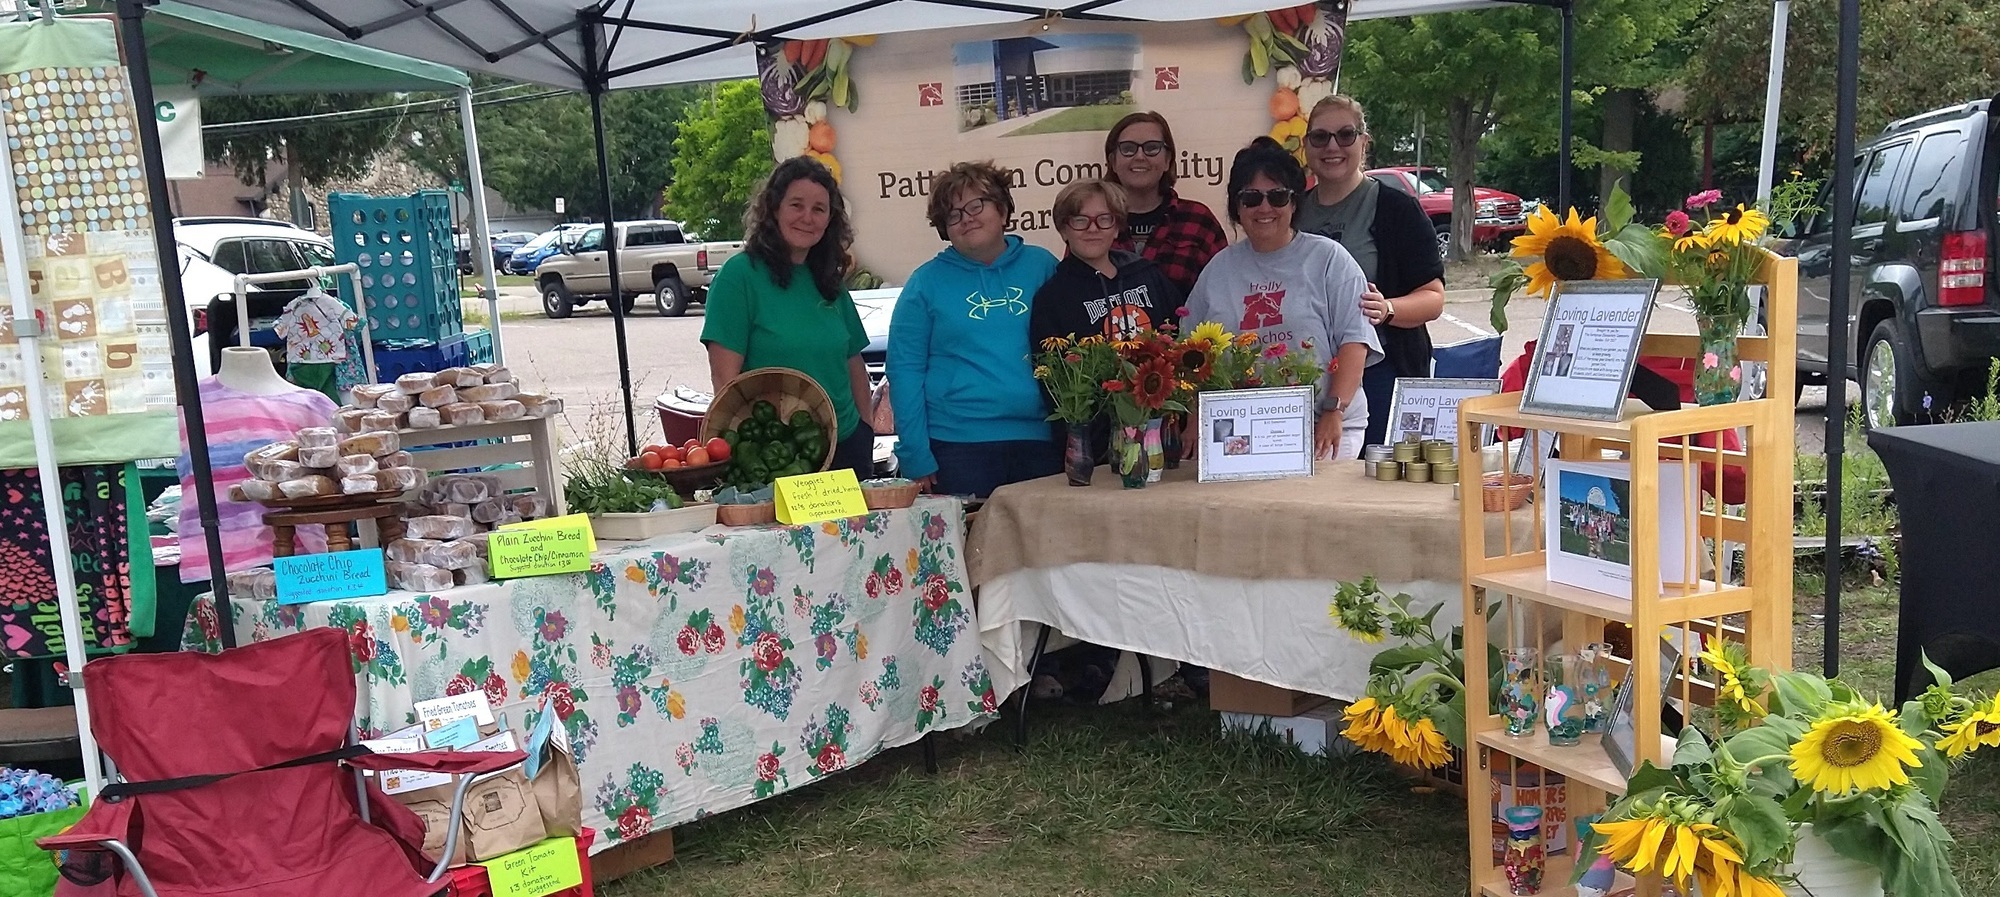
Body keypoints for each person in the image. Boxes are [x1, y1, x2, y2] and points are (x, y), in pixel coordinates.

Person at [1184, 137, 1379, 460]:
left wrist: (1334, 411)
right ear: (1236, 206)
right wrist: (1193, 417)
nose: (1264, 208)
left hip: (1323, 425)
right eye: (1251, 198)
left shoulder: (1330, 259)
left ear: (1294, 203)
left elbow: (1355, 342)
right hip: (1239, 427)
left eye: (1277, 196)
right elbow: (1191, 352)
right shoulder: (1217, 270)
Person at [887, 160, 1061, 498]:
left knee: (1043, 550)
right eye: (953, 214)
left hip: (1040, 442)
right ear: (945, 229)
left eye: (976, 205)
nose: (966, 217)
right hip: (957, 447)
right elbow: (905, 371)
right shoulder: (925, 284)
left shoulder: (1043, 266)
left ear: (1002, 208)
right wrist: (914, 454)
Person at [701, 156, 875, 481]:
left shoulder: (828, 280)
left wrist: (865, 428)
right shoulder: (739, 277)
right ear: (774, 208)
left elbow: (853, 363)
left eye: (819, 209)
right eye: (797, 205)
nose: (807, 218)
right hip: (778, 456)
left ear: (830, 220)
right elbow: (726, 384)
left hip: (848, 446)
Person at [1292, 95, 1447, 448]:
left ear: (1364, 142)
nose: (1332, 146)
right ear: (1307, 147)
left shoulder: (1396, 209)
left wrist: (1387, 309)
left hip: (1381, 375)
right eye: (1320, 137)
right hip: (1304, 379)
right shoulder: (1292, 210)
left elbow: (1433, 298)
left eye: (1345, 135)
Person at [1029, 179, 1185, 463]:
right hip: (1099, 447)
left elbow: (1178, 341)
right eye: (1080, 220)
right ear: (1064, 228)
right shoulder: (1052, 298)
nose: (1093, 229)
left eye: (1104, 219)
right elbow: (1056, 387)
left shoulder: (1148, 277)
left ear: (1117, 226)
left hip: (1160, 431)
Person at [1103, 112, 1229, 299]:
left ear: (1167, 160)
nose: (1139, 156)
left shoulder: (1199, 221)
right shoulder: (1092, 221)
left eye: (1152, 148)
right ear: (1113, 161)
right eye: (1128, 148)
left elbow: (1226, 294)